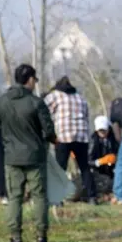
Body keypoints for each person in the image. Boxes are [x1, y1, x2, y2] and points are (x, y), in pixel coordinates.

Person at [0, 64, 56, 242]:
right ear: (29, 79)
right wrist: (51, 140)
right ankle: (41, 236)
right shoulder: (36, 102)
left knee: (14, 198)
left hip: (11, 157)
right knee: (40, 196)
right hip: (35, 156)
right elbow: (48, 130)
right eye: (35, 79)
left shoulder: (0, 101)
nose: (35, 83)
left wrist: (6, 142)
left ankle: (15, 237)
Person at [44, 76, 97, 205]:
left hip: (63, 136)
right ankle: (92, 197)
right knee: (84, 167)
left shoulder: (55, 95)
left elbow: (43, 111)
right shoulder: (80, 98)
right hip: (81, 136)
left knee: (61, 167)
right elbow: (85, 116)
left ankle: (57, 199)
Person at [88, 115, 119, 180]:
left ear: (108, 128)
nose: (102, 132)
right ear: (96, 130)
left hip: (112, 169)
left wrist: (115, 158)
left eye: (104, 130)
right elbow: (87, 161)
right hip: (98, 170)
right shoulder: (93, 142)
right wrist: (99, 161)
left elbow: (119, 151)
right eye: (100, 130)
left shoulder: (113, 138)